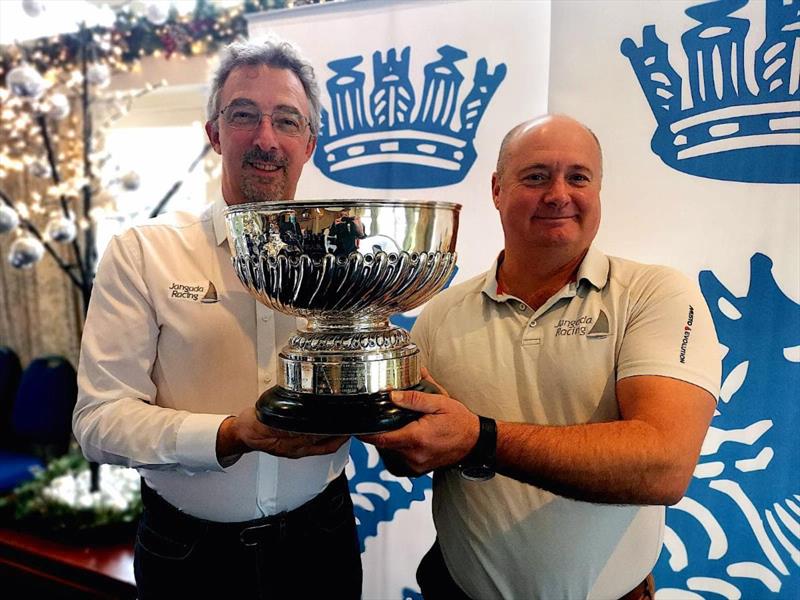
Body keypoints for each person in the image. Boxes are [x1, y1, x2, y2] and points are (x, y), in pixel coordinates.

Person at [361, 115, 721, 600]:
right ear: (496, 189)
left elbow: (664, 466)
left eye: (578, 177)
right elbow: (414, 460)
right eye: (535, 177)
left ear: (598, 190)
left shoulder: (653, 294)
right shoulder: (441, 314)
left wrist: (479, 438)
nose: (558, 194)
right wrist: (395, 433)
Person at [73, 38, 362, 599]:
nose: (265, 139)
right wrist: (230, 435)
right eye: (243, 116)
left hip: (319, 539)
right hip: (188, 553)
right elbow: (99, 422)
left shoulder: (347, 257)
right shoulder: (142, 252)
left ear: (310, 144)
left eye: (287, 121)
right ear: (214, 134)